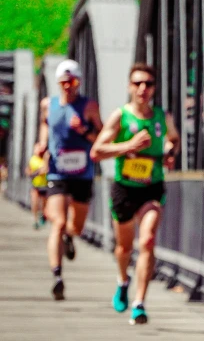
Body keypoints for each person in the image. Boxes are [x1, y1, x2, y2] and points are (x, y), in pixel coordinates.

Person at [91, 63, 179, 325]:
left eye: (148, 84)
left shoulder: (163, 117)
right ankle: (122, 280)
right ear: (130, 86)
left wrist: (169, 152)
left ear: (154, 88)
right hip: (125, 188)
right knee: (124, 247)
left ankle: (139, 303)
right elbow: (97, 151)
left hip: (152, 187)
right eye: (138, 83)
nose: (143, 89)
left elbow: (173, 139)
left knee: (148, 240)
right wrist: (128, 145)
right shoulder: (121, 116)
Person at [39, 59, 103, 300]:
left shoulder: (89, 107)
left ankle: (69, 237)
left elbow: (102, 136)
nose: (68, 86)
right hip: (57, 172)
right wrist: (42, 145)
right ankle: (57, 275)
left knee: (75, 226)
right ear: (58, 83)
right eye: (64, 82)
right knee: (56, 221)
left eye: (73, 81)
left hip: (82, 174)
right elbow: (45, 128)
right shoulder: (48, 105)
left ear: (79, 83)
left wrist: (84, 130)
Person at [25, 142, 48, 229]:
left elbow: (47, 170)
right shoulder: (32, 159)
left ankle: (43, 216)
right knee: (34, 203)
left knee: (43, 204)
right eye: (36, 148)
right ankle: (35, 220)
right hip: (35, 184)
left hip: (45, 184)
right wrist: (37, 172)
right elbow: (28, 171)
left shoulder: (46, 158)